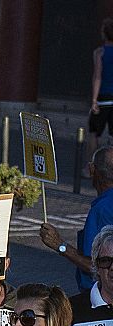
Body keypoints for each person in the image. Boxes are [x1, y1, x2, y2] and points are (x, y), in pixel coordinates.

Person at [41, 146, 113, 292]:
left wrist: (59, 245)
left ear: (92, 169)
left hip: (99, 297)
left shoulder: (102, 209)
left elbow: (95, 266)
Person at [86, 19, 113, 148]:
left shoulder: (99, 53)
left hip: (104, 97)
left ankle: (91, 166)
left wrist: (94, 100)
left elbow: (97, 77)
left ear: (104, 34)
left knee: (93, 133)